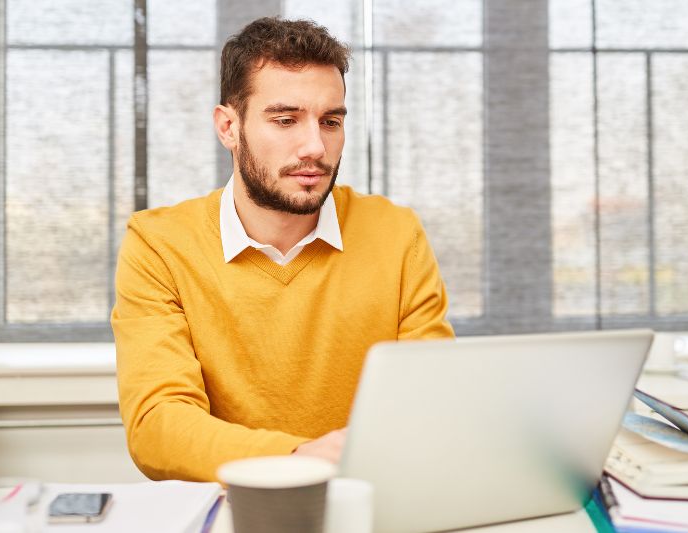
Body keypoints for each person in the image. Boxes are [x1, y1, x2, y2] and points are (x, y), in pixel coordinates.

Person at [111, 17, 454, 482]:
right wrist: (299, 457)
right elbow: (158, 427)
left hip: (370, 500)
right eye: (285, 120)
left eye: (330, 121)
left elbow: (433, 400)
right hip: (241, 506)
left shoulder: (395, 233)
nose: (315, 146)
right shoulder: (159, 243)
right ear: (228, 127)